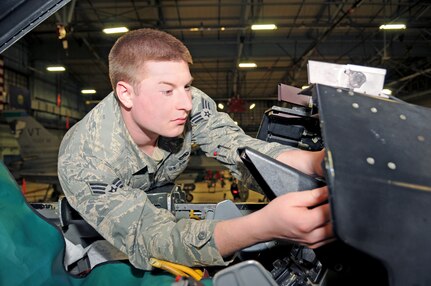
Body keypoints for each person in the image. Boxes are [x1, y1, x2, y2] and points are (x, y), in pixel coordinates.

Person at [58, 28, 333, 271]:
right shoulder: (85, 160)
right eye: (167, 91)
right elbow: (151, 236)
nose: (186, 103)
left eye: (187, 85)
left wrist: (315, 161)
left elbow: (234, 145)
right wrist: (263, 227)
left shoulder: (189, 104)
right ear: (126, 93)